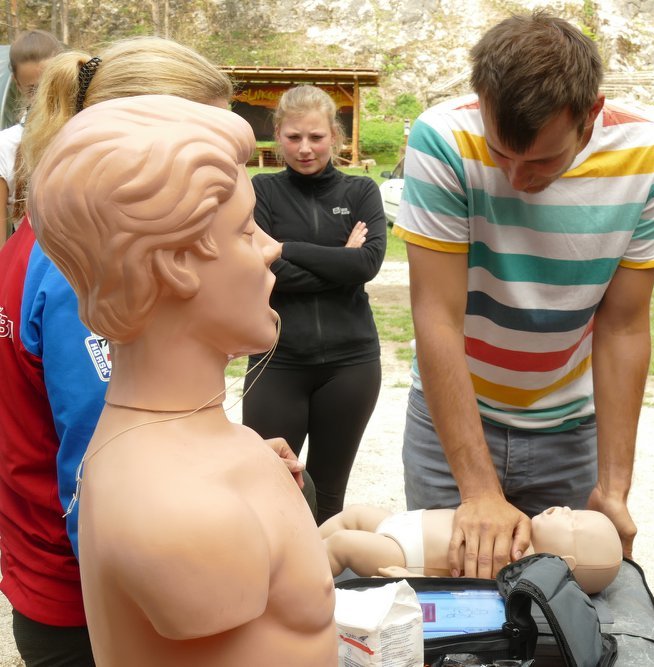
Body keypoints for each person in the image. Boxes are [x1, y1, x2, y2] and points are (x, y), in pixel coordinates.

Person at [0, 37, 287, 667]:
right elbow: (104, 458)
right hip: (85, 602)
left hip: (47, 574)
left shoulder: (47, 234)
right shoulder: (87, 271)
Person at [393, 11, 654, 581]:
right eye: (500, 153)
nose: (516, 178)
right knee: (450, 601)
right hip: (451, 420)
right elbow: (437, 317)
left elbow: (623, 326)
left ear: (590, 114)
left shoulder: (653, 156)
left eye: (542, 160)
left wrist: (613, 489)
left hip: (569, 427)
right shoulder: (443, 138)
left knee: (561, 603)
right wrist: (478, 490)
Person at [244, 84, 386, 524]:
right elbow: (264, 272)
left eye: (316, 137)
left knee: (327, 498)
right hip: (278, 361)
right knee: (265, 488)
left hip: (350, 364)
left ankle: (324, 569)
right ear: (278, 136)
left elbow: (366, 264)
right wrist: (339, 261)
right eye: (293, 137)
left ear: (334, 137)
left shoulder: (361, 190)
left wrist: (285, 248)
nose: (305, 148)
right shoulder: (261, 191)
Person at [321, 505, 623, 594]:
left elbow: (468, 589)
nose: (566, 509)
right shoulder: (522, 527)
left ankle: (299, 578)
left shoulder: (520, 568)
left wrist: (414, 581)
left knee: (342, 544)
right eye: (575, 510)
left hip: (404, 552)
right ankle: (301, 545)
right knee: (353, 514)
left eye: (573, 522)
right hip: (401, 522)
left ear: (565, 562)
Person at [0, 29, 63, 242]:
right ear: (17, 84)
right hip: (29, 261)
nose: (45, 96)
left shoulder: (87, 131)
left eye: (51, 84)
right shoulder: (6, 144)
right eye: (34, 90)